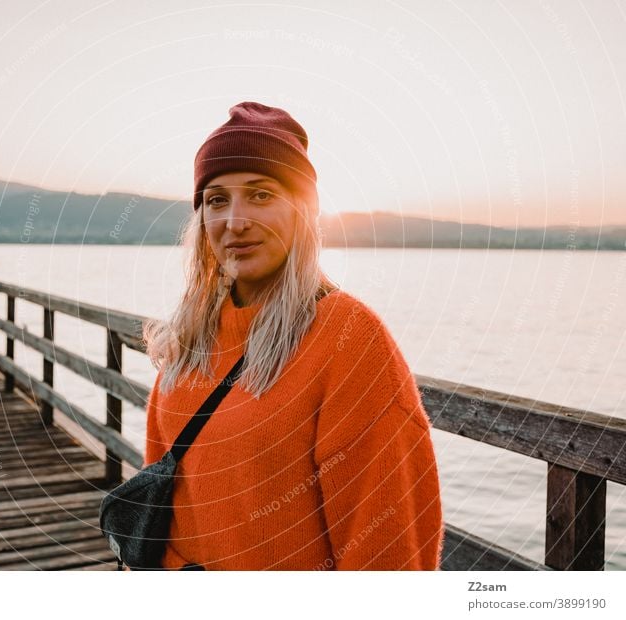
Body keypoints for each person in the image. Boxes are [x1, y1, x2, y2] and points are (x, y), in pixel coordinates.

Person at [141, 101, 444, 570]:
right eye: (217, 199)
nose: (235, 221)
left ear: (304, 209)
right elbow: (163, 521)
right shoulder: (188, 341)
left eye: (261, 194)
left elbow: (387, 551)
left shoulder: (348, 340)